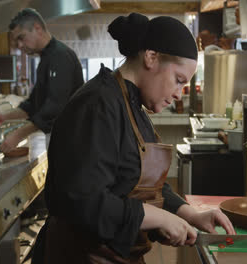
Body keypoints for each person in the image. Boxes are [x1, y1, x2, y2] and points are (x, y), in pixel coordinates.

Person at [34, 13, 235, 263]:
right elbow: (85, 201)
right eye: (178, 80)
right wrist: (160, 218)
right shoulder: (98, 105)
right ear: (151, 57)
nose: (178, 94)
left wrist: (189, 214)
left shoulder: (133, 106)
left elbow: (142, 184)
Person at [0, 8, 84, 152]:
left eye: (21, 37)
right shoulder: (46, 58)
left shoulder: (60, 56)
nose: (19, 45)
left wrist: (18, 135)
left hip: (71, 142)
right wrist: (5, 116)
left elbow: (55, 108)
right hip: (60, 141)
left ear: (37, 28)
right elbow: (33, 105)